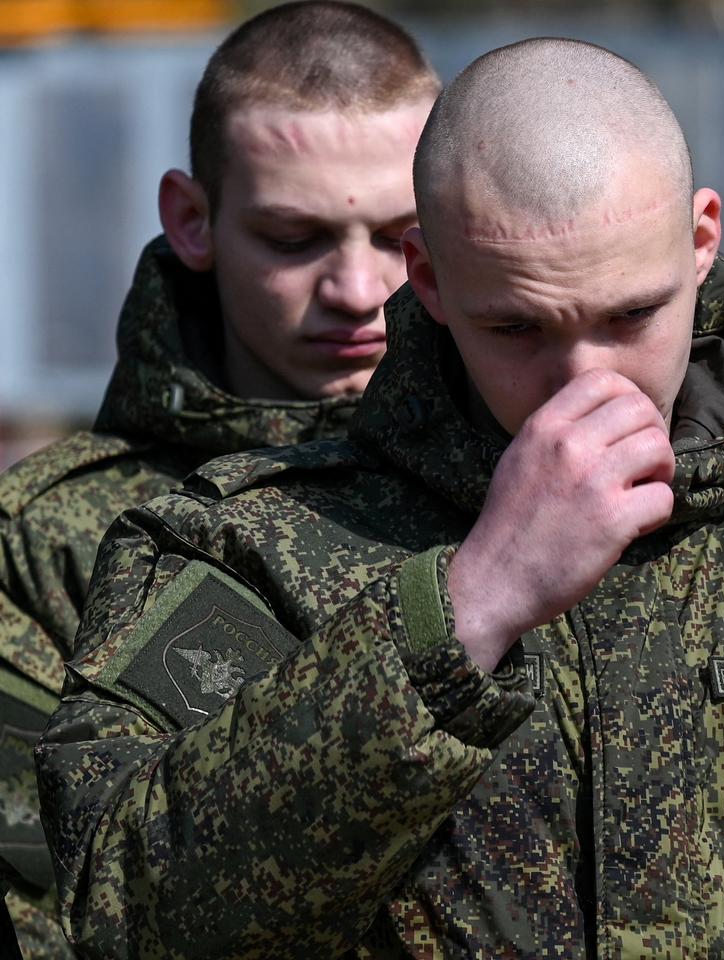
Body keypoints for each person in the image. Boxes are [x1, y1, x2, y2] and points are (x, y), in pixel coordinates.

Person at [36, 38, 724, 958]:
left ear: (700, 241)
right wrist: (468, 608)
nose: (587, 381)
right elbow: (125, 920)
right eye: (519, 329)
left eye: (633, 313)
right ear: (432, 279)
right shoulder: (241, 555)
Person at [0, 4, 434, 953]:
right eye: (294, 238)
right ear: (193, 222)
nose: (358, 291)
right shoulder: (55, 540)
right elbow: (46, 914)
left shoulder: (552, 490)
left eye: (404, 236)